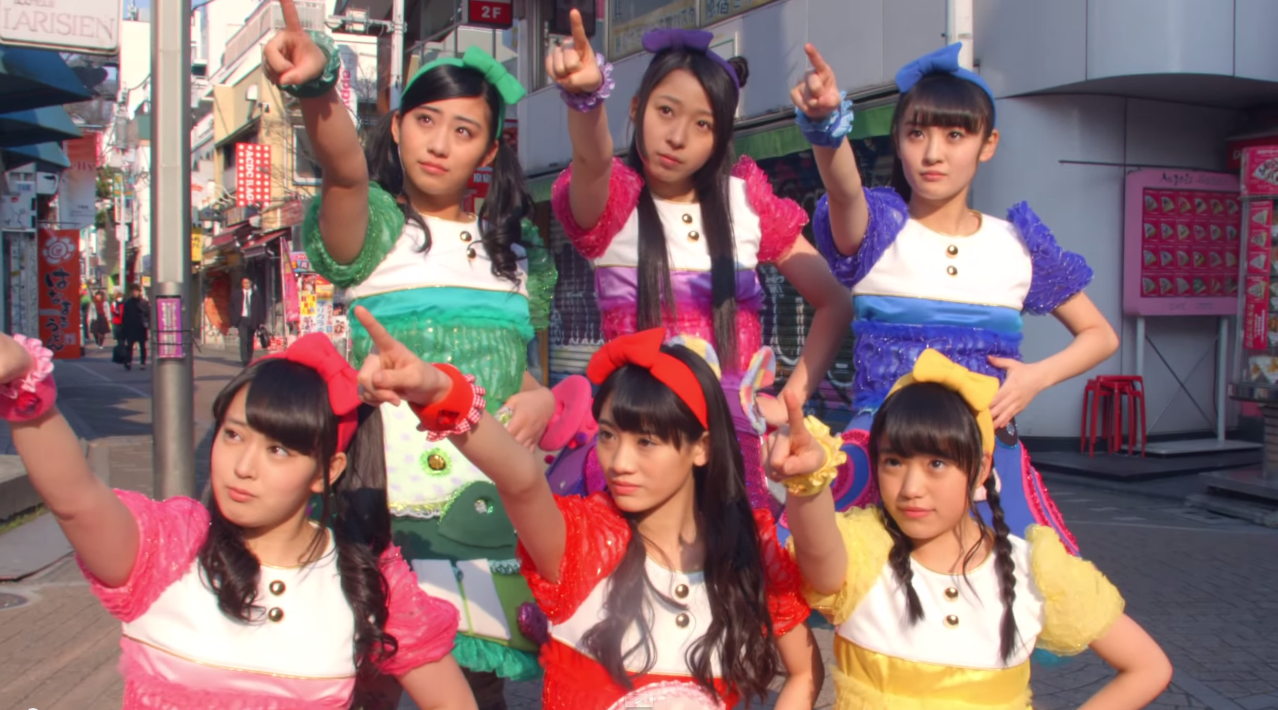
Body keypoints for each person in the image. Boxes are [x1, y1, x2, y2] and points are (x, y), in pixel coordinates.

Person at [263, 0, 559, 704]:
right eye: (425, 121)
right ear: (395, 127)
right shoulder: (374, 229)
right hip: (385, 490)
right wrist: (318, 90)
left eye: (464, 131)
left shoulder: (514, 250)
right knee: (372, 677)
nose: (439, 144)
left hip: (486, 495)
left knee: (479, 681)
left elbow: (513, 367)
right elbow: (343, 171)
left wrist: (542, 396)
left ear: (489, 152)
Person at [352, 308, 824, 710]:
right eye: (608, 435)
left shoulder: (746, 551)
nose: (619, 462)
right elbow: (520, 480)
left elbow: (804, 671)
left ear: (701, 447)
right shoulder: (584, 543)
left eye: (646, 442)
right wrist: (441, 393)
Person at [0, 332, 476, 709]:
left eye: (278, 450)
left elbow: (451, 700)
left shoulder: (364, 577)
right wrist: (26, 382)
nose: (243, 467)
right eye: (232, 435)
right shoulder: (170, 546)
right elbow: (75, 499)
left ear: (326, 472)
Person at [790, 42, 1119, 544]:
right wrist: (826, 127)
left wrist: (1035, 378)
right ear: (898, 140)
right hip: (883, 455)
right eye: (916, 133)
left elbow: (1100, 335)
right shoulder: (878, 230)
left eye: (955, 135)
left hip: (984, 458)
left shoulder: (1018, 245)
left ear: (988, 144)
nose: (933, 153)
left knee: (1009, 582)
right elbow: (843, 189)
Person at [547, 12, 853, 513]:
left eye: (703, 124)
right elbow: (592, 159)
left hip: (733, 445)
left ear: (721, 136)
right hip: (638, 442)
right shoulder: (614, 200)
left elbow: (834, 301)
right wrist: (586, 100)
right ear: (635, 108)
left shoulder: (747, 203)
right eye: (665, 111)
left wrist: (790, 399)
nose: (677, 137)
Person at [772, 349, 1172, 709]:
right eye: (894, 462)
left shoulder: (1036, 570)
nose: (911, 488)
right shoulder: (864, 552)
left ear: (980, 470)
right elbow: (818, 552)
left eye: (936, 464)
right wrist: (808, 482)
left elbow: (1148, 667)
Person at [230, 276, 266, 367]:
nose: (246, 285)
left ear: (250, 283)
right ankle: (244, 360)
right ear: (242, 284)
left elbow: (260, 308)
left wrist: (261, 321)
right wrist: (234, 319)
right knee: (244, 339)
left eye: (247, 283)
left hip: (252, 319)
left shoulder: (255, 295)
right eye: (244, 283)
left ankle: (249, 358)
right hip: (242, 319)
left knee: (250, 340)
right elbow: (231, 307)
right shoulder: (237, 294)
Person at [120, 284, 150, 371]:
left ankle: (142, 362)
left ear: (139, 292)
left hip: (141, 327)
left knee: (142, 346)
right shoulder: (128, 303)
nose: (134, 293)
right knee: (129, 346)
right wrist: (123, 330)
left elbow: (148, 314)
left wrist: (147, 324)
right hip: (130, 328)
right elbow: (125, 317)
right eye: (133, 291)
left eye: (136, 291)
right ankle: (128, 361)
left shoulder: (143, 302)